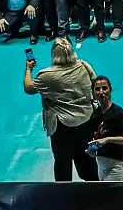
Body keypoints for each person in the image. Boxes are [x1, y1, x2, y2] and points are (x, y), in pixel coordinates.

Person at [23, 38, 102, 182]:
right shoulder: (84, 66)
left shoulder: (46, 75)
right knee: (87, 161)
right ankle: (94, 192)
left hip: (62, 129)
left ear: (54, 54)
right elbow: (96, 87)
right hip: (86, 122)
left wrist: (29, 69)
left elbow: (28, 88)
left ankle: (64, 196)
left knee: (62, 165)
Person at [83, 74, 123, 180]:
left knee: (113, 195)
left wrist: (107, 140)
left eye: (104, 88)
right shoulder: (95, 114)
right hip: (100, 162)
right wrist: (92, 150)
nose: (101, 92)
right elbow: (95, 137)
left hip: (116, 164)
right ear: (93, 93)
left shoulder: (119, 113)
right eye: (97, 89)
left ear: (110, 90)